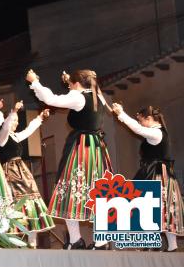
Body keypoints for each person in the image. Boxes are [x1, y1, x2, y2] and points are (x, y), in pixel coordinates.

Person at [26, 69, 112, 250]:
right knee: (98, 192)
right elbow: (78, 90)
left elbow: (51, 99)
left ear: (77, 84)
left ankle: (75, 239)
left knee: (70, 190)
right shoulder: (97, 96)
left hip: (82, 147)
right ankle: (101, 241)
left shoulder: (78, 98)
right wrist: (70, 82)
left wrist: (35, 82)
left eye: (70, 84)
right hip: (97, 148)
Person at [112, 103, 183, 252]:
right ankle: (166, 245)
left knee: (154, 207)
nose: (140, 124)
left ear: (149, 118)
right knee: (162, 208)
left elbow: (138, 129)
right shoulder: (159, 132)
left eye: (141, 120)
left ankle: (162, 245)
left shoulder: (156, 133)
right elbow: (140, 129)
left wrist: (122, 114)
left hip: (157, 174)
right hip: (159, 173)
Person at [0, 101, 55, 248]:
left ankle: (32, 242)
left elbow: (29, 130)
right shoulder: (1, 138)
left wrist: (40, 118)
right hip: (10, 174)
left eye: (17, 121)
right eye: (13, 120)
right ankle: (12, 242)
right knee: (13, 204)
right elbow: (5, 126)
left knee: (31, 203)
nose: (15, 123)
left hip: (23, 174)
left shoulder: (16, 136)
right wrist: (13, 111)